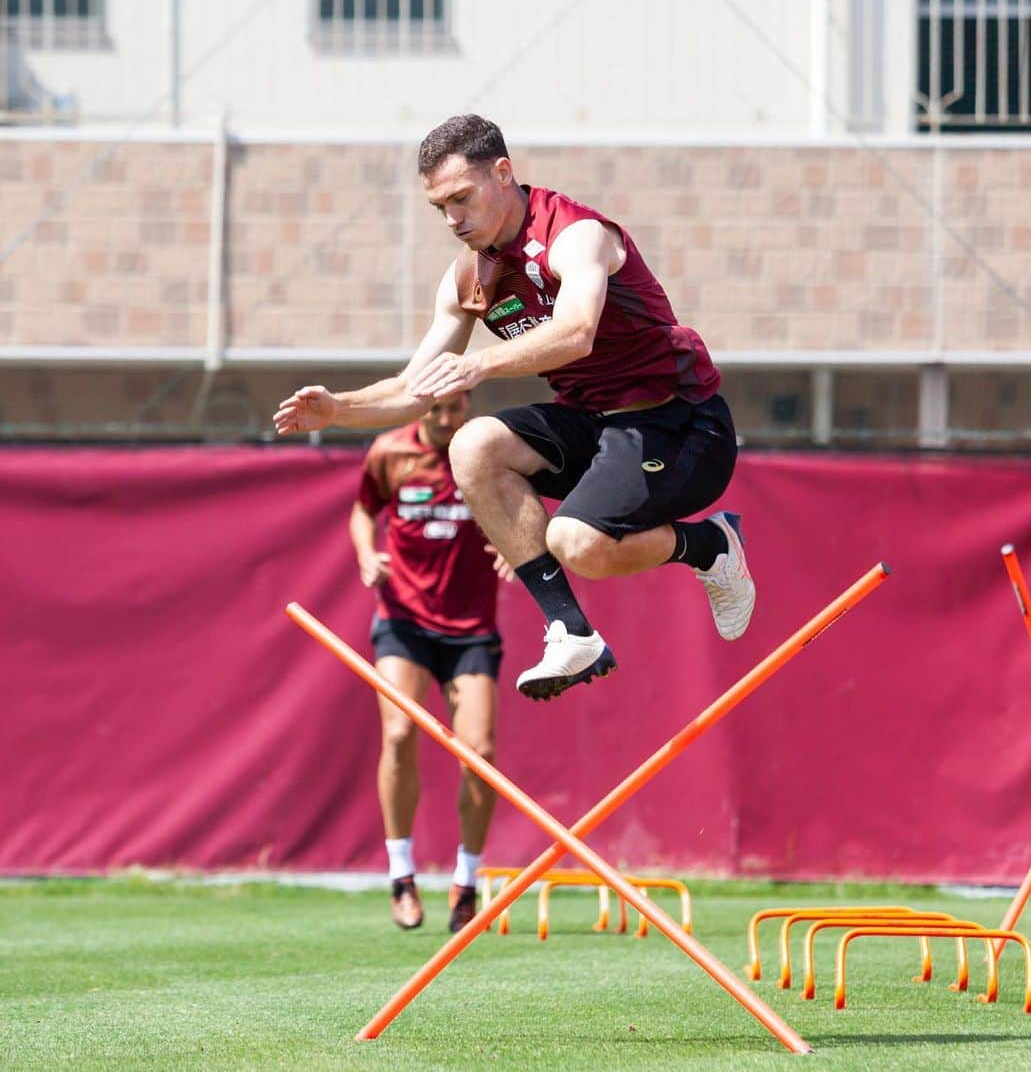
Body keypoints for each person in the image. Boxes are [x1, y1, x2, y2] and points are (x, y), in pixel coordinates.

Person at [276, 114, 755, 702]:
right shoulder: (468, 280)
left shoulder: (577, 235)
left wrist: (479, 364)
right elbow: (414, 387)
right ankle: (570, 631)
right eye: (439, 208)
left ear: (503, 173)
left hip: (681, 427)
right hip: (596, 429)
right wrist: (339, 409)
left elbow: (577, 331)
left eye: (461, 198)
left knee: (577, 542)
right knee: (473, 444)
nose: (452, 219)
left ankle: (711, 545)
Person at [351, 391, 511, 932]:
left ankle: (467, 881)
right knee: (398, 735)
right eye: (437, 409)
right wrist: (365, 553)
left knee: (479, 754)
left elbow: (523, 509)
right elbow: (362, 509)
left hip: (470, 628)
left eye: (457, 408)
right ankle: (401, 875)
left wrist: (517, 546)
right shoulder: (389, 452)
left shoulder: (484, 454)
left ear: (469, 407)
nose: (446, 419)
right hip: (404, 620)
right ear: (419, 408)